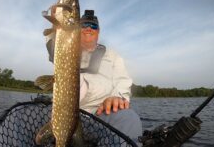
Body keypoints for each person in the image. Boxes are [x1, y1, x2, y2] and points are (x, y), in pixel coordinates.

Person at [45, 10, 142, 144]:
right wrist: (55, 15)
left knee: (129, 118)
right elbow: (52, 38)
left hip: (101, 115)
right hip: (63, 114)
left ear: (98, 32)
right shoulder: (65, 47)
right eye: (84, 25)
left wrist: (118, 96)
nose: (89, 28)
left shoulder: (113, 56)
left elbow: (123, 81)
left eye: (93, 26)